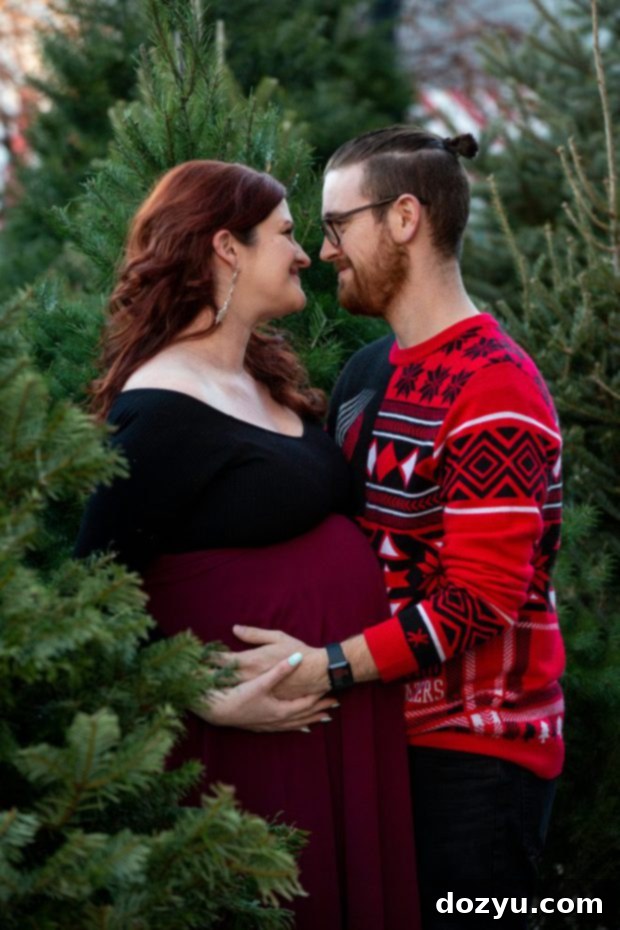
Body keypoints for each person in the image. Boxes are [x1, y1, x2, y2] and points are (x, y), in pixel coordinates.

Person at [227, 127, 566, 929]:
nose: (324, 248)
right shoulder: (368, 372)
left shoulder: (497, 391)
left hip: (477, 761)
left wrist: (325, 669)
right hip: (383, 735)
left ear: (404, 217)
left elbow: (478, 599)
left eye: (338, 224)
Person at [74, 159, 420, 930]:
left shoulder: (263, 379)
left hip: (338, 717)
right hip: (251, 744)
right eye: (289, 235)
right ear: (227, 248)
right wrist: (198, 693)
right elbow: (91, 593)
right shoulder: (158, 409)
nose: (306, 253)